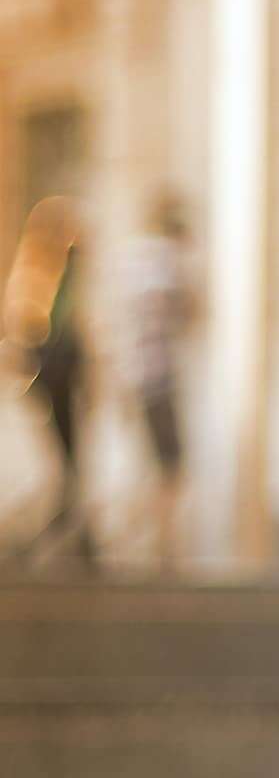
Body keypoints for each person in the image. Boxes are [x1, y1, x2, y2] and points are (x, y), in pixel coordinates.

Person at [2, 195, 96, 567]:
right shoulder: (38, 276)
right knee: (60, 459)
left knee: (69, 457)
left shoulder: (65, 278)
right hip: (49, 379)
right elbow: (27, 327)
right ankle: (68, 532)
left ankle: (76, 534)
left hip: (61, 379)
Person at [111, 189, 199, 572]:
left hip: (134, 376)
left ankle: (149, 543)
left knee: (151, 464)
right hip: (157, 378)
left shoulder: (133, 260)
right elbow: (188, 313)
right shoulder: (163, 264)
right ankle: (159, 546)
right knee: (169, 467)